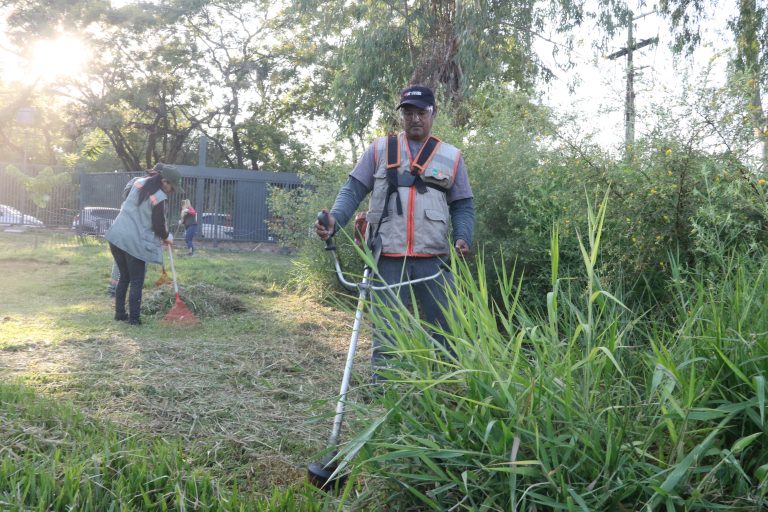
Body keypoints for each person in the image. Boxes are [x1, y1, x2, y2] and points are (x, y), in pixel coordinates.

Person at [314, 84, 474, 377]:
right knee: (388, 331)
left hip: (435, 259)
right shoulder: (379, 149)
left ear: (433, 113)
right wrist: (335, 218)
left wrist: (463, 237)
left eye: (421, 112)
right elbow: (352, 190)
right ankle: (385, 391)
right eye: (409, 113)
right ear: (401, 116)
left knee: (446, 328)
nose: (415, 119)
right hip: (387, 256)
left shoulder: (451, 156)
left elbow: (463, 205)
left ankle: (449, 389)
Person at [105, 165, 185, 325]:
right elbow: (158, 225)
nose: (172, 191)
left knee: (124, 277)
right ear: (164, 181)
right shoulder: (159, 197)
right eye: (172, 187)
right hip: (134, 242)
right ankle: (134, 319)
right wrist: (167, 236)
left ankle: (120, 314)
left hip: (116, 236)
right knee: (136, 281)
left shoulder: (138, 183)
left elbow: (128, 199)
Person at [107, 164, 161, 297]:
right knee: (136, 263)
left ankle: (115, 290)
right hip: (135, 230)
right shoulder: (145, 186)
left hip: (124, 229)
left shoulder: (136, 182)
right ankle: (121, 289)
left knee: (122, 264)